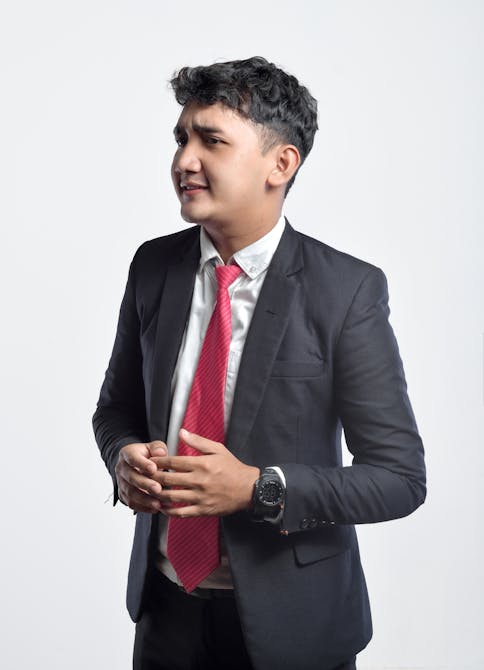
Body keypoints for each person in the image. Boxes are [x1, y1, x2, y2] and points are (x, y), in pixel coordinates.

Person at [92, 56, 426, 670]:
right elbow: (114, 409)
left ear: (281, 163)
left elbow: (400, 477)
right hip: (167, 612)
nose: (184, 160)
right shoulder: (153, 268)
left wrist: (258, 488)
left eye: (211, 140)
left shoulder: (346, 290)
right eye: (182, 137)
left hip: (295, 624)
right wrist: (122, 457)